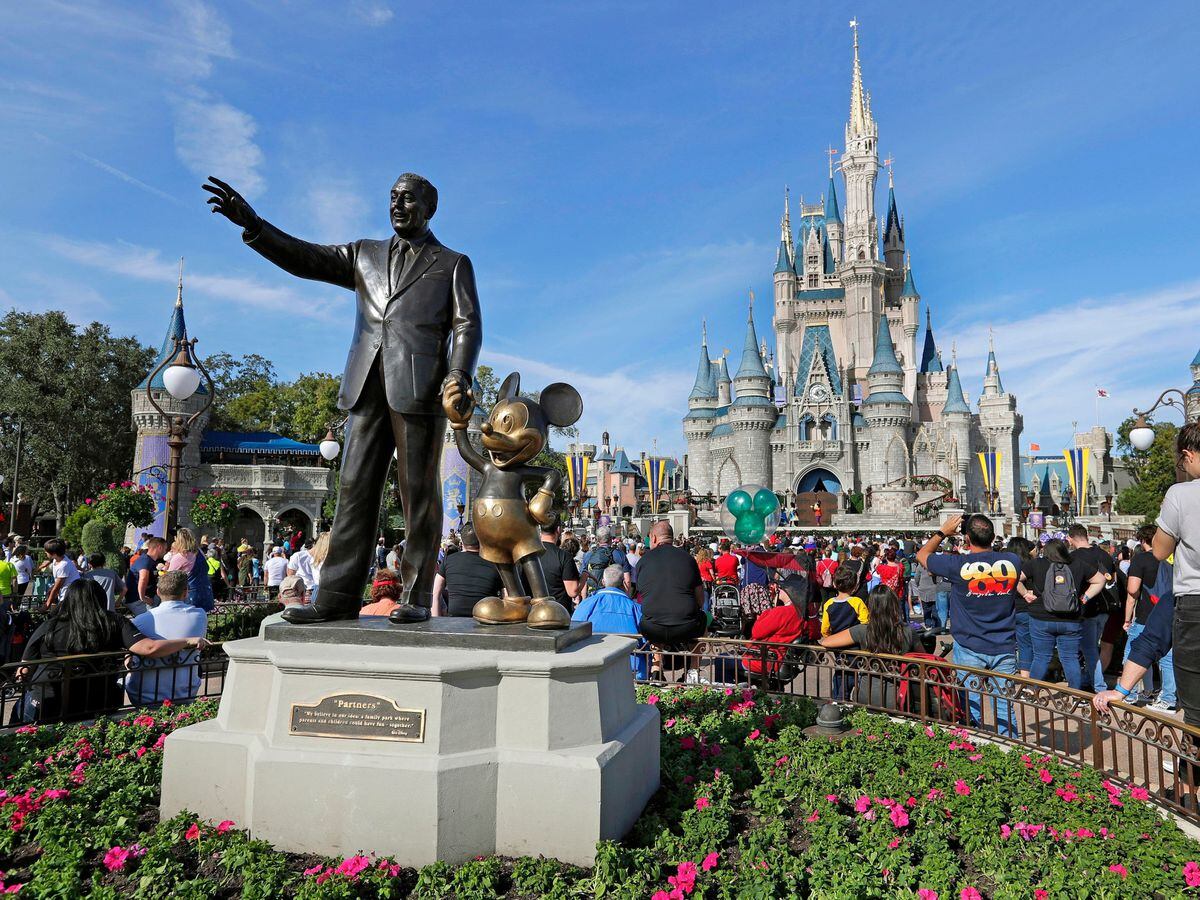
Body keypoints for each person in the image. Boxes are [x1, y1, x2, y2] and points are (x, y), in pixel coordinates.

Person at [205, 172, 482, 624]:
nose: (397, 205)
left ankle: (413, 595)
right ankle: (336, 595)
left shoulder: (451, 263)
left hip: (419, 387)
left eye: (408, 199)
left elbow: (468, 324)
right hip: (365, 383)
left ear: (429, 208)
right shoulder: (364, 254)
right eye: (392, 197)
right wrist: (254, 224)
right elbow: (305, 258)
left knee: (417, 493)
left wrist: (459, 375)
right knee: (353, 489)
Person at [18, 579, 207, 723]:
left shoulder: (49, 626)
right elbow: (149, 648)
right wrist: (187, 640)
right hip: (99, 701)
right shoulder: (114, 622)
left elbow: (23, 670)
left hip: (48, 700)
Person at [917, 514, 1020, 738]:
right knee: (1005, 707)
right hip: (1004, 647)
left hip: (969, 645)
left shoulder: (958, 565)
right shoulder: (1013, 562)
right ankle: (1014, 754)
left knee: (970, 707)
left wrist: (943, 531)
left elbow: (922, 555)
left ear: (966, 539)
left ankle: (972, 747)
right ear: (993, 537)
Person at [1145, 422, 1200, 730]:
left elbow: (1159, 549)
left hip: (1194, 603)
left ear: (1187, 455)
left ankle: (1191, 775)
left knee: (1194, 708)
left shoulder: (1180, 494)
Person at [1016, 539, 1106, 690]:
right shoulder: (1078, 564)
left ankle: (1032, 690)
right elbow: (1100, 579)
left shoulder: (1036, 564)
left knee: (1041, 657)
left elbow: (1015, 579)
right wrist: (1084, 598)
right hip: (1071, 618)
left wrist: (1025, 594)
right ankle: (1075, 694)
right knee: (1070, 658)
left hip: (1041, 617)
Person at [820, 585, 923, 708]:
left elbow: (826, 642)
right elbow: (924, 658)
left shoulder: (863, 631)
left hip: (866, 694)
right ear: (895, 606)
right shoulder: (908, 631)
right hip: (899, 696)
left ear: (871, 607)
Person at [636, 521, 707, 680]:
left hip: (652, 627)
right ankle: (693, 671)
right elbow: (700, 599)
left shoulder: (643, 561)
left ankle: (656, 669)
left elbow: (640, 596)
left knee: (651, 617)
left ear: (653, 538)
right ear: (672, 538)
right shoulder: (688, 559)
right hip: (686, 626)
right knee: (702, 619)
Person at [126, 571, 209, 706]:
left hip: (144, 694)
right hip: (185, 691)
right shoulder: (199, 615)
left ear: (158, 592)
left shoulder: (140, 621)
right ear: (186, 592)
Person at [1123, 524, 1176, 711]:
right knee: (1167, 659)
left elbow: (1132, 590)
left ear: (1142, 540)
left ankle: (1128, 694)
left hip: (1146, 615)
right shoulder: (1171, 559)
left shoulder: (1141, 559)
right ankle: (1169, 699)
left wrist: (1127, 619)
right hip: (1169, 612)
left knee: (1133, 653)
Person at [571, 564, 646, 677]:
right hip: (630, 668)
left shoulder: (587, 604)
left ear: (603, 582)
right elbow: (645, 640)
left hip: (591, 665)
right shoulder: (635, 608)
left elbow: (573, 631)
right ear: (624, 583)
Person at [1066, 524, 1117, 692]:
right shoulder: (1105, 554)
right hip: (1105, 608)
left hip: (1086, 609)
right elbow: (1112, 579)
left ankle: (1098, 686)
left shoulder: (1073, 557)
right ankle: (1090, 678)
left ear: (1070, 539)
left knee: (1089, 650)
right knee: (1093, 648)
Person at [744, 576, 812, 680]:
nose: (778, 589)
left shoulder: (781, 612)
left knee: (721, 659)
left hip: (763, 659)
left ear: (788, 591)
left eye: (781, 587)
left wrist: (767, 612)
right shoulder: (802, 613)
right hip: (782, 660)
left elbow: (756, 632)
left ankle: (729, 694)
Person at [821, 564, 870, 699]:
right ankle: (851, 699)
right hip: (855, 645)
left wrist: (830, 638)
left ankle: (838, 698)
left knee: (839, 672)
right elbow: (866, 622)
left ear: (835, 585)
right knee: (854, 673)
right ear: (854, 587)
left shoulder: (829, 604)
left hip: (837, 645)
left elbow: (824, 628)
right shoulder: (857, 602)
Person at [433, 523, 503, 617]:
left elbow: (435, 594)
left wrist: (436, 624)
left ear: (462, 541)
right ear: (483, 539)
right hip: (485, 621)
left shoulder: (448, 560)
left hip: (454, 622)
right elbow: (507, 598)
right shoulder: (497, 564)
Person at [522, 523, 580, 610]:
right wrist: (584, 577)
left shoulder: (527, 555)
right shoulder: (564, 556)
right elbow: (572, 592)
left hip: (532, 612)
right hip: (558, 613)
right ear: (558, 530)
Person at [1005, 537, 1036, 678]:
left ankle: (1008, 670)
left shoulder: (1005, 566)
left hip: (1007, 609)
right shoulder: (1030, 565)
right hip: (1026, 608)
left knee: (1008, 642)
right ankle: (1026, 675)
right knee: (1026, 644)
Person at [125, 537, 167, 616]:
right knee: (154, 621)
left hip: (147, 598)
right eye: (165, 549)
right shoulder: (145, 560)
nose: (165, 552)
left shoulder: (150, 560)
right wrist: (143, 597)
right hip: (138, 601)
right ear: (159, 547)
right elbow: (143, 578)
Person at [42, 538, 81, 609]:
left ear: (54, 554)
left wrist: (47, 605)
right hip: (64, 595)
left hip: (70, 597)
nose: (45, 552)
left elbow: (57, 587)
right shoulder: (56, 559)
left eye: (47, 551)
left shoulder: (64, 565)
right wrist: (51, 588)